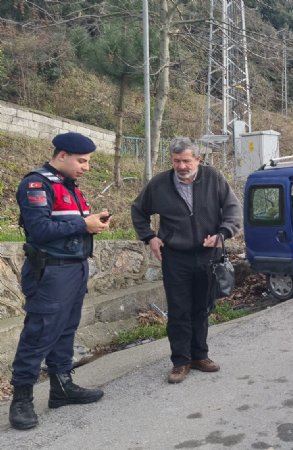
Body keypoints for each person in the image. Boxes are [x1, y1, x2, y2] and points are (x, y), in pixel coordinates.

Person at [9, 132, 110, 430]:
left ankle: (62, 386)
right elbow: (39, 229)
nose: (86, 167)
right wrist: (83, 223)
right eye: (82, 161)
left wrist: (93, 224)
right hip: (51, 272)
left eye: (88, 161)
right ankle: (22, 399)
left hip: (74, 268)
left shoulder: (70, 187)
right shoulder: (36, 183)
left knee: (66, 329)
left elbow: (64, 225)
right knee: (39, 332)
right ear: (62, 155)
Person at [131, 137, 242, 384]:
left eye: (186, 161)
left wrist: (222, 234)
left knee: (202, 308)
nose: (181, 166)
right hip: (175, 257)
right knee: (179, 311)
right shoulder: (159, 184)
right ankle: (180, 361)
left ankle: (200, 355)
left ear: (198, 160)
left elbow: (233, 209)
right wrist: (150, 237)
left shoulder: (213, 178)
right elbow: (138, 210)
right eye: (176, 161)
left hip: (208, 256)